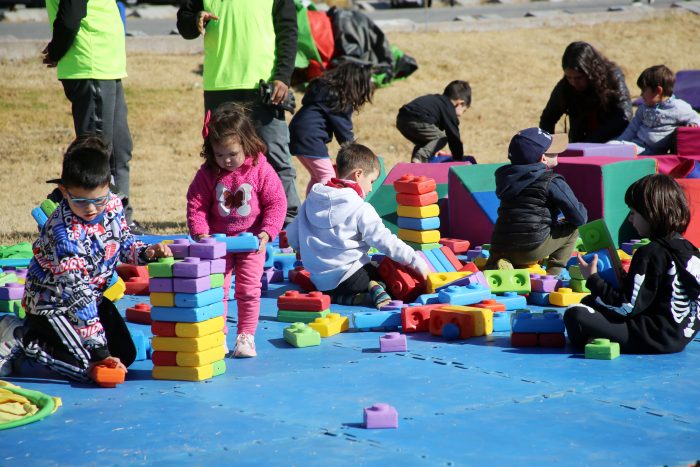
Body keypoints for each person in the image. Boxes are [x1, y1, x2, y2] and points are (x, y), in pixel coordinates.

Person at [0, 137, 172, 381]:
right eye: (80, 201)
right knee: (86, 368)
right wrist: (99, 352)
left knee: (125, 355)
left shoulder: (112, 205)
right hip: (53, 305)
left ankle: (57, 346)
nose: (91, 209)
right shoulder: (65, 237)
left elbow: (122, 243)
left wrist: (146, 253)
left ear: (108, 187)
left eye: (98, 200)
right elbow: (78, 296)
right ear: (64, 192)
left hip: (92, 296)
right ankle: (19, 334)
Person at [177, 0, 301, 226]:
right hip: (219, 86)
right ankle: (222, 220)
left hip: (264, 87)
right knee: (221, 159)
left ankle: (290, 224)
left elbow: (289, 31)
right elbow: (184, 22)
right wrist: (195, 20)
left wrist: (283, 76)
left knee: (276, 157)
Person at [186, 103, 286, 358]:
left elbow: (276, 202)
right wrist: (201, 234)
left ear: (247, 144)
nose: (226, 160)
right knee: (217, 290)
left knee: (249, 289)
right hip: (218, 243)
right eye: (219, 155)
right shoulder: (209, 173)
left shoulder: (260, 169)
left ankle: (246, 336)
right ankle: (217, 334)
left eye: (232, 153)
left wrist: (267, 232)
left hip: (252, 240)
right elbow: (196, 203)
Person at [564, 174, 700, 354]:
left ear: (651, 214)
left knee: (576, 313)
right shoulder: (690, 249)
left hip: (651, 337)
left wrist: (593, 279)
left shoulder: (649, 253)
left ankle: (590, 338)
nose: (630, 219)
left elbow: (626, 307)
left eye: (633, 213)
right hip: (680, 336)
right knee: (591, 301)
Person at [42, 0, 144, 233]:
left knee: (119, 150)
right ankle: (72, 216)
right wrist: (57, 50)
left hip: (107, 66)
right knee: (95, 155)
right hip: (89, 64)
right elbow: (70, 17)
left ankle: (121, 221)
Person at [286, 143, 429, 309]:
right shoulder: (360, 207)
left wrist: (300, 249)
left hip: (320, 281)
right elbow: (386, 241)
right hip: (354, 278)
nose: (370, 188)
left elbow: (292, 235)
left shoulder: (312, 200)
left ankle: (344, 298)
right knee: (389, 275)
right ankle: (376, 286)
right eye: (371, 181)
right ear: (358, 174)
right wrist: (417, 262)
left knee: (347, 280)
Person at [484, 128, 587, 276]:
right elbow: (579, 217)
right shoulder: (551, 181)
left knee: (528, 229)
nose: (558, 152)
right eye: (553, 150)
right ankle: (553, 275)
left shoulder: (506, 180)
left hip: (499, 247)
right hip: (530, 249)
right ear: (543, 158)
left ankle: (504, 263)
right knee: (572, 229)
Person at [289, 62, 375, 194]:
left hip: (296, 134)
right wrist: (356, 153)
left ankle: (309, 208)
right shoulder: (339, 99)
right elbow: (343, 131)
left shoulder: (323, 90)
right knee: (328, 177)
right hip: (310, 138)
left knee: (317, 177)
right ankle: (323, 208)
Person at [540, 41, 632, 144]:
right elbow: (548, 118)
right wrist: (547, 147)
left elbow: (624, 116)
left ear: (591, 71)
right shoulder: (566, 86)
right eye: (569, 77)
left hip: (613, 143)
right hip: (579, 144)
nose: (573, 82)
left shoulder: (612, 78)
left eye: (579, 78)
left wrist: (593, 140)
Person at [609, 65, 700, 155]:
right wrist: (620, 141)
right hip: (637, 144)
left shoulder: (678, 107)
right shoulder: (644, 108)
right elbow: (632, 128)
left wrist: (693, 124)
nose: (641, 94)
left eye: (644, 91)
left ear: (658, 90)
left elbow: (695, 117)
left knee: (618, 151)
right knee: (611, 145)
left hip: (649, 151)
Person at [395, 80, 471, 163]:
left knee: (424, 142)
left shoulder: (437, 101)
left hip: (402, 119)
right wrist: (458, 158)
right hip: (417, 118)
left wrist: (434, 149)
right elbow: (454, 137)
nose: (460, 115)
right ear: (459, 103)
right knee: (441, 138)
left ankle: (416, 166)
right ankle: (420, 158)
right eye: (464, 111)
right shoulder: (448, 108)